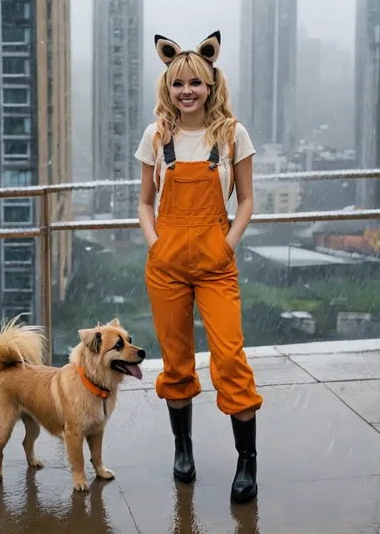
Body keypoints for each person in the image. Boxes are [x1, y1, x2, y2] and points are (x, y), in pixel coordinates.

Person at [135, 31, 263, 503]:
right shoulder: (157, 135)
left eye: (195, 83)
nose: (186, 91)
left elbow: (247, 200)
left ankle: (246, 460)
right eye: (177, 84)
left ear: (212, 84)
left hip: (215, 262)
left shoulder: (232, 134)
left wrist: (227, 245)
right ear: (167, 88)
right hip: (166, 263)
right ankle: (182, 447)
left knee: (230, 358)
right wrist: (155, 244)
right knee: (177, 361)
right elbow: (145, 203)